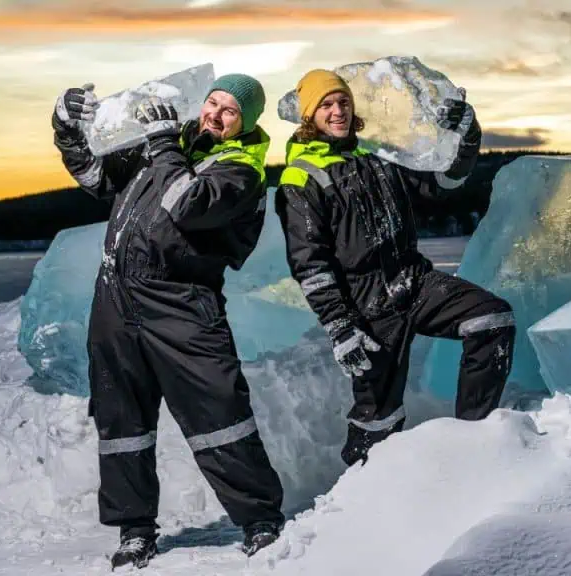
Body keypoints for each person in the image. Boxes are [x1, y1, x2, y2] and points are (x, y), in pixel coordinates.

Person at [51, 73, 285, 569]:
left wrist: (162, 145)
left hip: (181, 303)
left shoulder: (241, 171)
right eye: (213, 102)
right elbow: (95, 177)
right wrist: (67, 127)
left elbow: (189, 205)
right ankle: (135, 529)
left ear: (245, 124)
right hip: (116, 300)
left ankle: (260, 518)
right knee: (123, 421)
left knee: (218, 412)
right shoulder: (169, 149)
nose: (215, 114)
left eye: (230, 111)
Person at [275, 69, 516, 467]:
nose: (338, 111)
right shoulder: (301, 178)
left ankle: (474, 442)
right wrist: (340, 325)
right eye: (327, 105)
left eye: (344, 103)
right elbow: (309, 263)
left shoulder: (379, 158)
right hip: (365, 304)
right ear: (309, 116)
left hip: (414, 280)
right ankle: (355, 502)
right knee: (379, 418)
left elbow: (444, 181)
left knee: (492, 320)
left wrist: (465, 135)